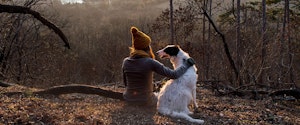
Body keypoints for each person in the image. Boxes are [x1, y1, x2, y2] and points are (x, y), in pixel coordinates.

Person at [122, 26, 195, 106]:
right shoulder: (150, 62)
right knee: (162, 97)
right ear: (147, 47)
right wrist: (187, 64)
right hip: (146, 101)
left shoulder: (126, 62)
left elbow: (126, 84)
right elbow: (174, 75)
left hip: (128, 99)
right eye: (149, 45)